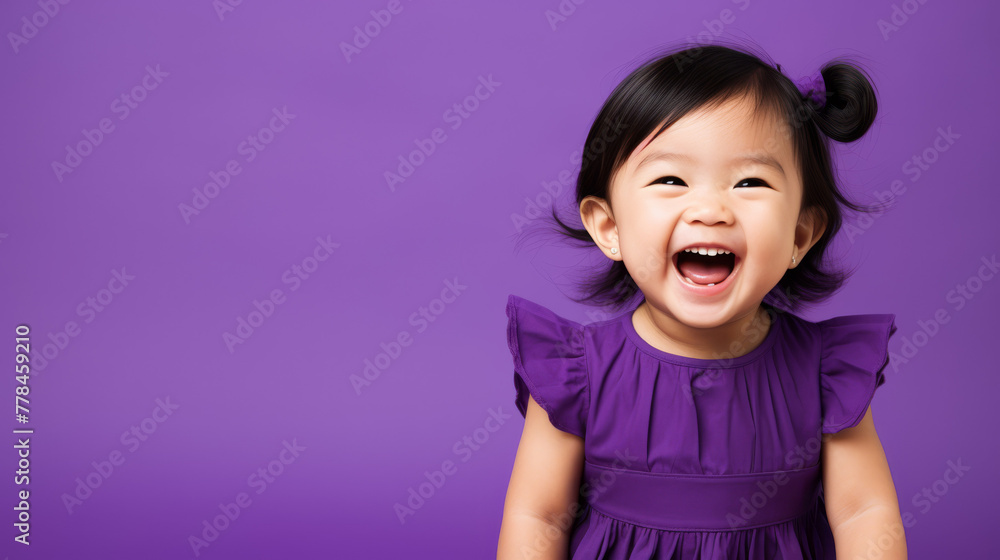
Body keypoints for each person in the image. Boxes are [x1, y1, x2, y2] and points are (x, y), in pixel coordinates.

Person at [497, 42, 906, 559]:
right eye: (671, 179)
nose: (711, 210)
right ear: (609, 227)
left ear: (800, 236)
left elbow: (863, 511)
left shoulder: (826, 372)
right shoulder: (576, 372)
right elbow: (539, 516)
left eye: (750, 181)